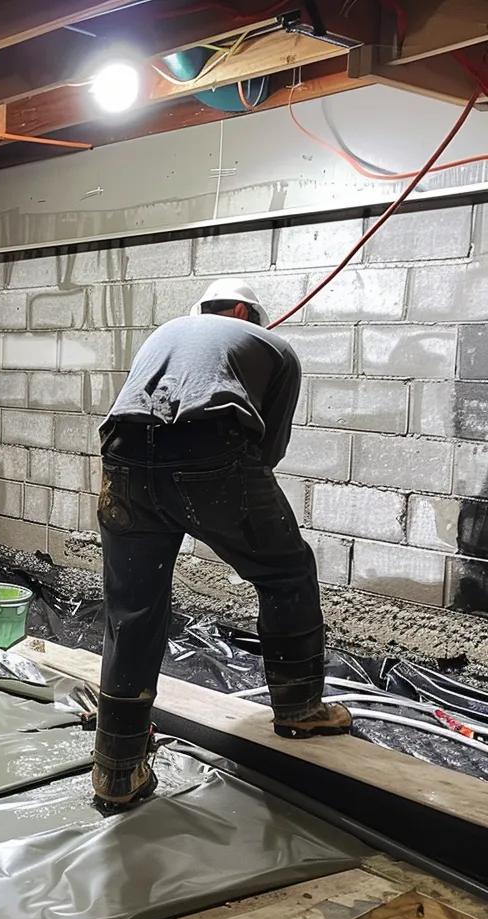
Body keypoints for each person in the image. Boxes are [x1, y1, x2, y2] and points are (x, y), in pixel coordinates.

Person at [93, 279, 352, 807]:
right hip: (212, 451)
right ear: (242, 312)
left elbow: (137, 411)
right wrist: (214, 502)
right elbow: (268, 450)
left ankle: (118, 769)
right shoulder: (277, 348)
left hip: (122, 459)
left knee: (134, 607)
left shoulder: (165, 332)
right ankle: (300, 709)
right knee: (286, 573)